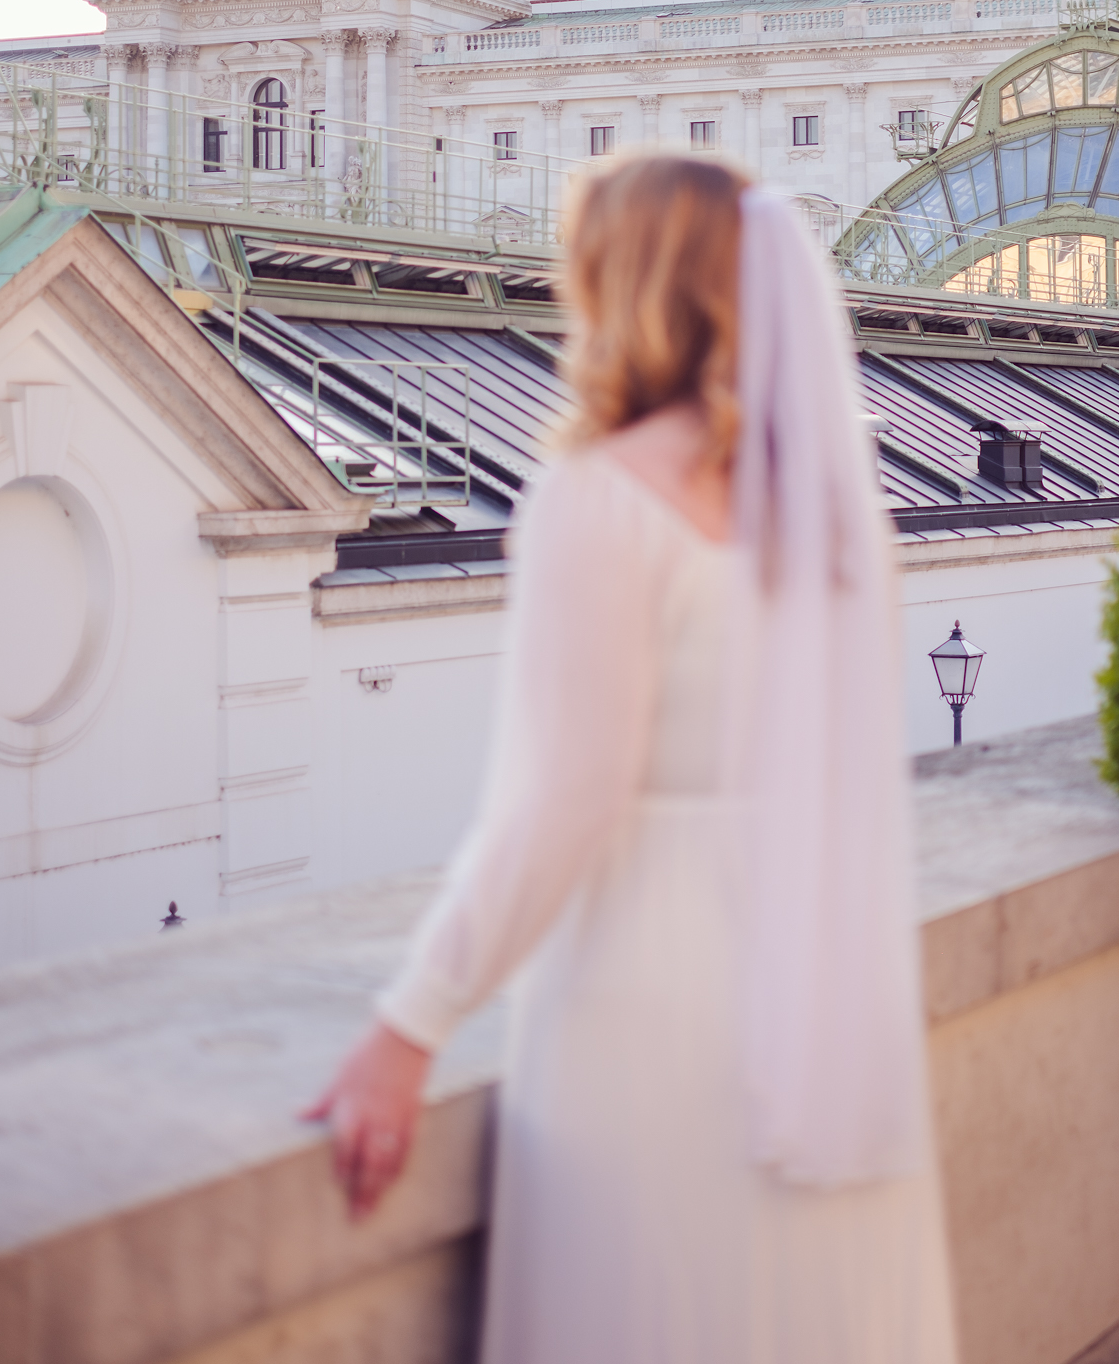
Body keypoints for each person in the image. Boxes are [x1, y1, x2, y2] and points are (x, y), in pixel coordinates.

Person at [307, 154, 957, 1364]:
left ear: (627, 283)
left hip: (648, 988)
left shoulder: (598, 498)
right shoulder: (821, 505)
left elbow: (569, 796)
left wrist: (410, 1024)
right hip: (819, 994)